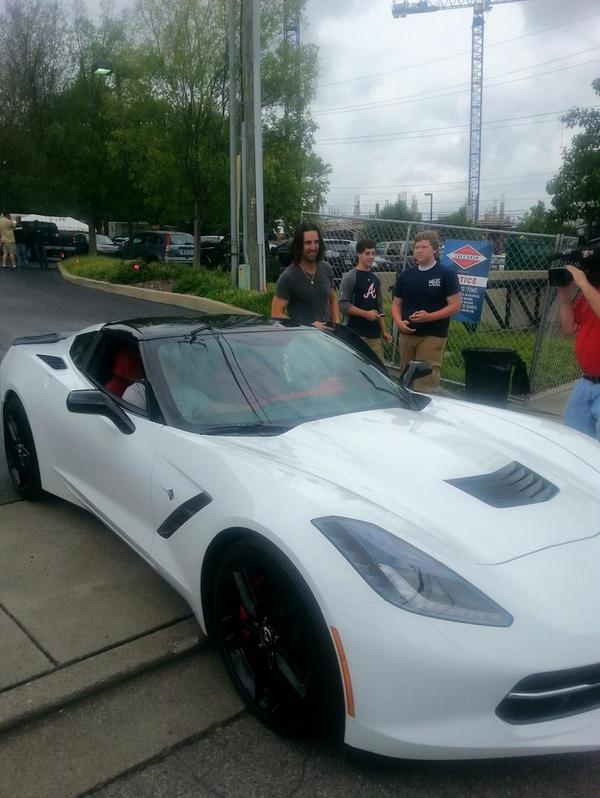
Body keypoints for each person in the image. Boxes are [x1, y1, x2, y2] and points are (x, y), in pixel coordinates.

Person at [391, 230, 461, 392]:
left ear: (434, 249)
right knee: (406, 378)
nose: (419, 251)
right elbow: (396, 304)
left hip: (432, 335)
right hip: (407, 334)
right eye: (416, 247)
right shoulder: (406, 275)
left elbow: (455, 306)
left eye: (424, 247)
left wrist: (429, 317)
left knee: (425, 380)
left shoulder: (446, 275)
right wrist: (399, 322)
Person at [558, 262, 600, 440]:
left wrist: (583, 283)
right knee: (572, 442)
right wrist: (564, 295)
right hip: (587, 381)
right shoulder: (591, 292)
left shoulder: (589, 290)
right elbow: (568, 328)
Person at [271, 221, 339, 328]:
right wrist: (307, 325)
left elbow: (332, 299)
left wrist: (337, 325)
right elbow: (276, 313)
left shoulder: (326, 269)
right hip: (301, 340)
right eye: (308, 243)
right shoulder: (288, 277)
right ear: (299, 245)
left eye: (316, 242)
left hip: (326, 340)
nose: (313, 247)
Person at [338, 238, 392, 359]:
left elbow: (379, 307)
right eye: (367, 253)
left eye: (373, 253)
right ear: (358, 254)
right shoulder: (350, 277)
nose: (371, 257)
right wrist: (365, 314)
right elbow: (342, 304)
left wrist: (384, 331)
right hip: (355, 334)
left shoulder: (375, 278)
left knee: (378, 370)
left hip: (374, 335)